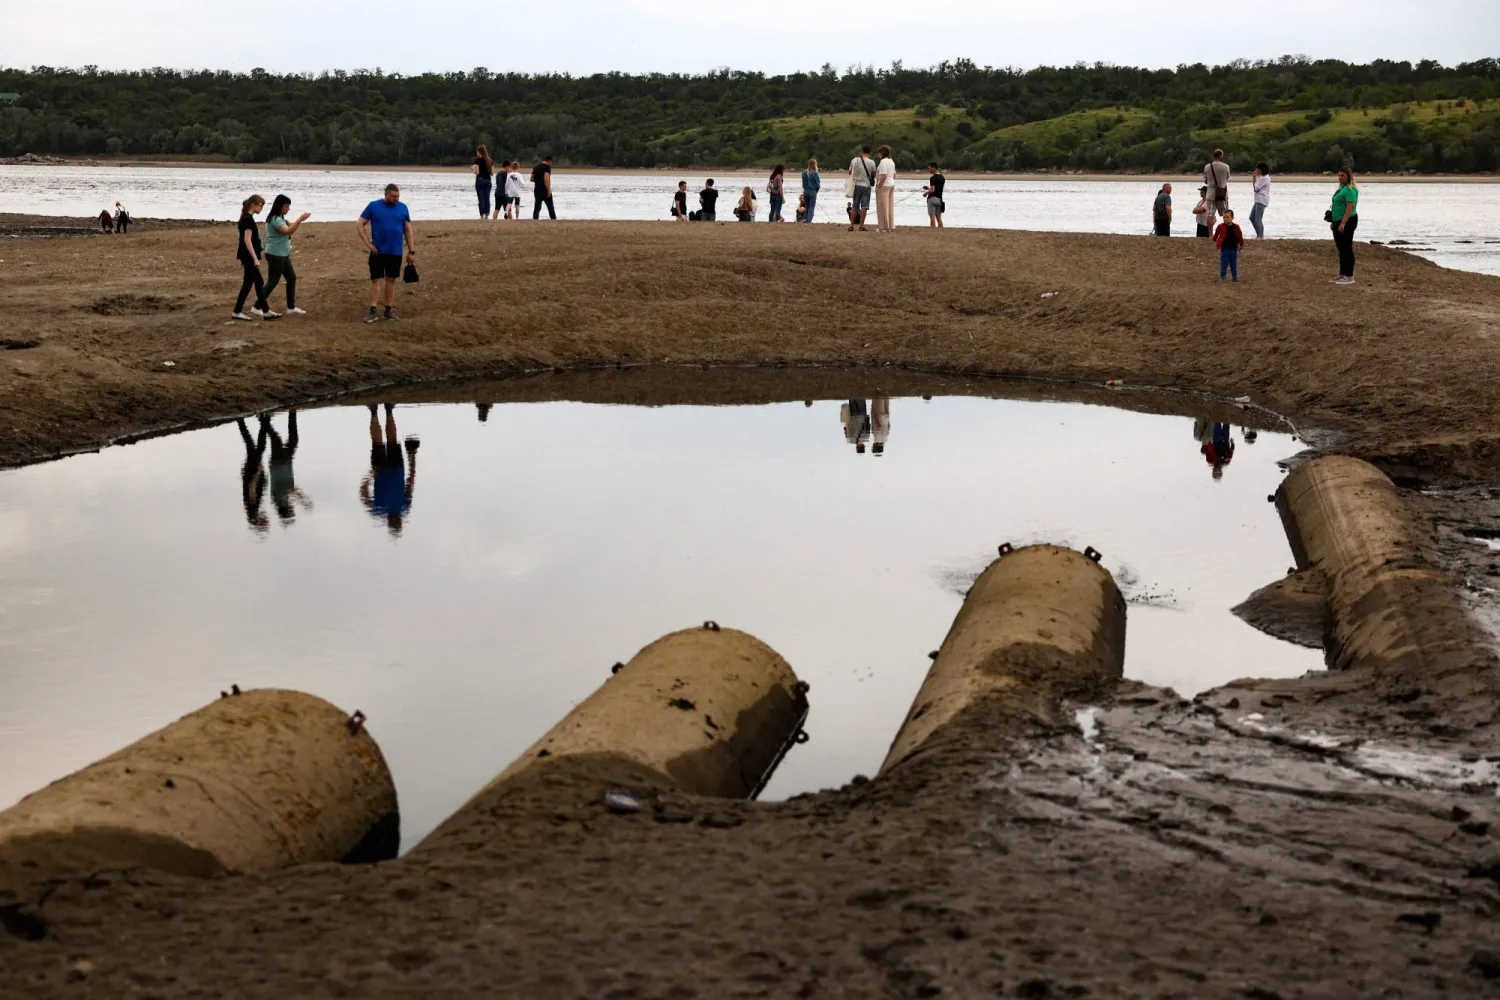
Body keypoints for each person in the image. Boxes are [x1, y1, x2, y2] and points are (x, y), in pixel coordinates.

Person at [356, 183, 415, 323]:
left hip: (395, 251)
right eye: (393, 196)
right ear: (386, 195)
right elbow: (359, 224)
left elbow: (408, 229)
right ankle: (372, 310)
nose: (396, 199)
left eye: (398, 196)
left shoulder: (403, 207)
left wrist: (411, 251)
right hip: (377, 251)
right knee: (375, 279)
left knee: (391, 280)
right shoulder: (374, 206)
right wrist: (368, 244)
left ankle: (388, 310)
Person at [360, 403, 418, 536]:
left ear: (388, 524)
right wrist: (412, 460)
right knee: (391, 440)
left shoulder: (378, 510)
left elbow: (363, 494)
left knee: (378, 442)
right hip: (396, 468)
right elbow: (411, 484)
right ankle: (388, 410)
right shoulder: (404, 508)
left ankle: (374, 412)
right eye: (398, 523)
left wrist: (371, 475)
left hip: (380, 469)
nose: (397, 521)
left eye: (395, 524)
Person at [261, 410, 311, 524]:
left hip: (280, 464)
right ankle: (269, 418)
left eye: (291, 511)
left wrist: (303, 500)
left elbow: (289, 488)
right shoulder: (279, 501)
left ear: (287, 510)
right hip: (284, 463)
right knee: (289, 440)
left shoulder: (280, 500)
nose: (293, 509)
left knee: (277, 439)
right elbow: (290, 490)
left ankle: (264, 419)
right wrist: (302, 500)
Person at [263, 194, 310, 316]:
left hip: (282, 254)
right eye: (286, 206)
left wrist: (296, 222)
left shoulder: (280, 219)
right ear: (280, 206)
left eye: (288, 206)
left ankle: (291, 307)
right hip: (275, 254)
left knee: (291, 278)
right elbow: (288, 231)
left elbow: (288, 229)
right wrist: (300, 220)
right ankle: (258, 306)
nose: (288, 209)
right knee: (272, 282)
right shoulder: (275, 219)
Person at [233, 194, 277, 321]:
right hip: (248, 256)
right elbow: (247, 240)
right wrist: (255, 259)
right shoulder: (248, 219)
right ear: (253, 204)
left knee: (258, 282)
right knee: (248, 283)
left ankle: (265, 311)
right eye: (260, 206)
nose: (261, 208)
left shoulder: (245, 218)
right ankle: (237, 311)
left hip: (246, 255)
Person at [236, 417, 269, 533]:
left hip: (252, 472)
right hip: (249, 473)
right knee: (253, 447)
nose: (264, 517)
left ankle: (263, 421)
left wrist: (258, 472)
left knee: (257, 447)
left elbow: (252, 487)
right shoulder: (251, 507)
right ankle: (245, 422)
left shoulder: (253, 505)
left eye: (263, 520)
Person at [1331, 167, 1359, 285]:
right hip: (1337, 220)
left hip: (1347, 221)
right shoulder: (1341, 188)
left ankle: (1349, 276)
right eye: (1339, 175)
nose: (1340, 177)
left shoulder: (1349, 189)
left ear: (1348, 177)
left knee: (1346, 248)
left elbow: (1350, 207)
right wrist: (1334, 221)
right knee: (1341, 248)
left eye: (1343, 175)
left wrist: (1343, 223)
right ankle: (1342, 273)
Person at [848, 146, 876, 231]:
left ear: (861, 152)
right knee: (864, 206)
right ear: (870, 153)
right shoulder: (872, 162)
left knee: (855, 206)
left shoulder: (854, 160)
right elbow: (873, 174)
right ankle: (861, 225)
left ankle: (851, 225)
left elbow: (850, 172)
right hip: (866, 185)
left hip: (856, 185)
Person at [1214, 208, 1245, 282]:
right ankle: (1223, 277)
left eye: (1227, 217)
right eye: (1224, 217)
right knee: (1224, 264)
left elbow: (1240, 236)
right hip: (1224, 249)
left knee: (1233, 264)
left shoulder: (1236, 227)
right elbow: (1216, 233)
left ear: (1232, 218)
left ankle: (1235, 277)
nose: (1225, 219)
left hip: (1234, 249)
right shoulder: (1220, 226)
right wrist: (1215, 239)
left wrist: (1241, 244)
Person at [874, 145, 896, 232]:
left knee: (882, 206)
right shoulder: (891, 161)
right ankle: (890, 225)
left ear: (882, 153)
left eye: (879, 153)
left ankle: (883, 226)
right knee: (890, 206)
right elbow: (894, 174)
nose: (878, 155)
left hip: (884, 185)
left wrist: (879, 186)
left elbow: (883, 176)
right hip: (891, 184)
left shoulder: (883, 162)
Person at [1204, 148, 1230, 221]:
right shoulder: (1226, 166)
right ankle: (1226, 228)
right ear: (1221, 156)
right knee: (1226, 214)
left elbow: (1206, 181)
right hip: (1222, 194)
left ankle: (1210, 229)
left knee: (1210, 214)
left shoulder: (1207, 167)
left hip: (1210, 194)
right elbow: (1227, 178)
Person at [472, 145, 494, 220]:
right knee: (487, 198)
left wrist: (472, 169)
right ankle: (487, 215)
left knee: (481, 199)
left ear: (479, 152)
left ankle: (482, 215)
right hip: (488, 181)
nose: (476, 153)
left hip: (480, 180)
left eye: (477, 152)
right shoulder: (490, 161)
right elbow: (492, 173)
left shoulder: (477, 161)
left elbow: (477, 173)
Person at [1250, 162, 1271, 239]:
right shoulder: (1264, 177)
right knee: (1252, 217)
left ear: (1262, 170)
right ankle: (1259, 234)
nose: (1257, 170)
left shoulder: (1264, 178)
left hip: (1261, 200)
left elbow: (1256, 189)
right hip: (1259, 200)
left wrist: (1254, 177)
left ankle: (1260, 236)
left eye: (1258, 169)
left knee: (1258, 219)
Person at [924, 162, 945, 228]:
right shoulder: (942, 177)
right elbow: (936, 188)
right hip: (939, 199)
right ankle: (941, 231)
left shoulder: (932, 178)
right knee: (939, 218)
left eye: (930, 168)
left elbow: (932, 190)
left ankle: (932, 229)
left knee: (932, 217)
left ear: (934, 167)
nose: (929, 170)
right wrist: (928, 188)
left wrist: (926, 193)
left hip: (932, 199)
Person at [801, 158, 820, 223]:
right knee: (811, 207)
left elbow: (803, 184)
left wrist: (805, 189)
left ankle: (807, 219)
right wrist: (816, 191)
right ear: (814, 164)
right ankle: (809, 221)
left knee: (807, 206)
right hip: (812, 191)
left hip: (805, 191)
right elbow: (818, 185)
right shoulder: (815, 173)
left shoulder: (803, 173)